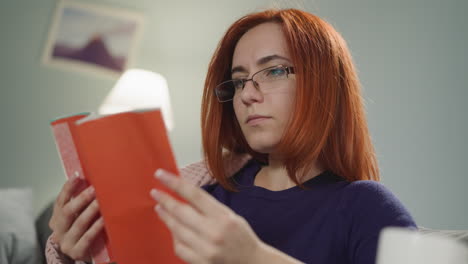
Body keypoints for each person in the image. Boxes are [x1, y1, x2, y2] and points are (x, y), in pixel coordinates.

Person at [46, 8, 416, 264]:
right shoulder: (202, 196)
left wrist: (255, 258)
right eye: (238, 81)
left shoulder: (365, 208)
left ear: (325, 84)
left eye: (273, 71)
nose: (246, 94)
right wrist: (74, 252)